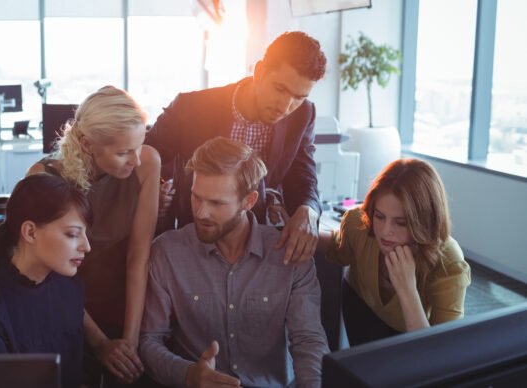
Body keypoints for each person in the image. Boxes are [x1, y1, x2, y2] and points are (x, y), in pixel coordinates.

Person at [140, 137, 329, 388]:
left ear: (248, 202)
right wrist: (187, 375)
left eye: (216, 203)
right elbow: (149, 340)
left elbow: (308, 342)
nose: (200, 212)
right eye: (197, 197)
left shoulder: (289, 256)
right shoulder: (167, 253)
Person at [146, 31, 327, 265]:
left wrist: (308, 209)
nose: (285, 106)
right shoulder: (191, 107)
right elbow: (145, 159)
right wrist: (157, 193)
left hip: (256, 248)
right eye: (280, 89)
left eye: (299, 97)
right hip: (195, 241)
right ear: (259, 72)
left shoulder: (303, 115)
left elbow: (303, 176)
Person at [28, 86, 161, 385]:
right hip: (61, 307)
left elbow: (138, 259)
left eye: (139, 146)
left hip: (123, 306)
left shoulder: (147, 164)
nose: (136, 160)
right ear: (88, 144)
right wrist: (100, 343)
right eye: (124, 152)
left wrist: (130, 342)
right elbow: (51, 277)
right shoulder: (43, 180)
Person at [0, 173, 92, 388]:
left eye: (85, 234)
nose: (86, 246)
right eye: (72, 234)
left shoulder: (70, 287)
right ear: (30, 232)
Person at [318, 158, 471, 346]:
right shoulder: (359, 223)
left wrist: (407, 290)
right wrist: (300, 233)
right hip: (360, 304)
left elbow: (441, 351)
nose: (385, 230)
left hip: (413, 327)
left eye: (400, 222)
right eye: (379, 216)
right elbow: (339, 248)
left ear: (424, 222)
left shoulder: (449, 263)